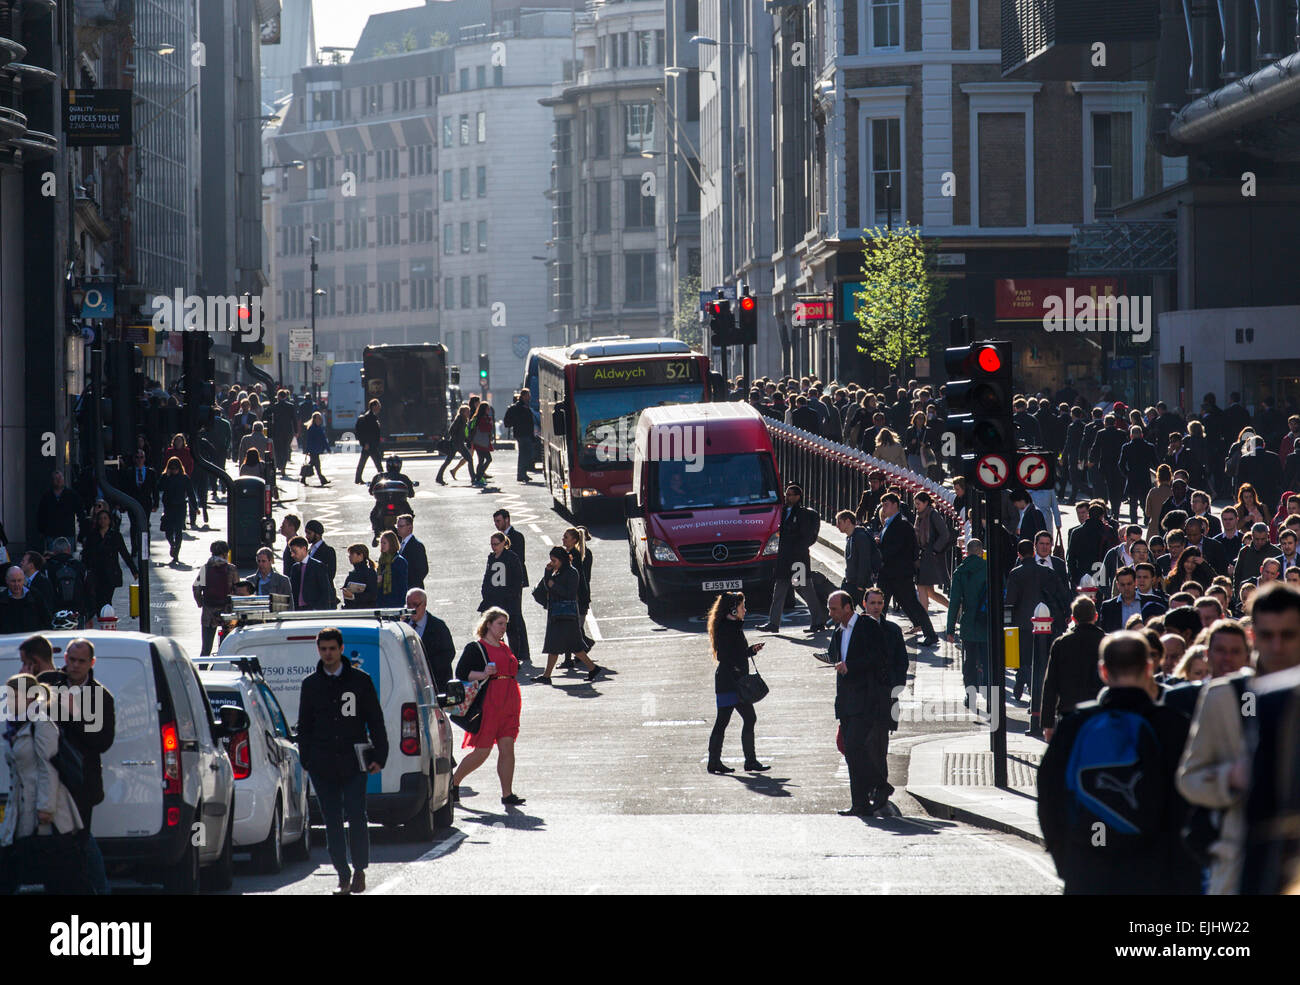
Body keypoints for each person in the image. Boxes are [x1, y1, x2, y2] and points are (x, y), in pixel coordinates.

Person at [1037, 631, 1196, 894]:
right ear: (1148, 667)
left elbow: (1049, 795)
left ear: (1103, 671)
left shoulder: (1075, 724)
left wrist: (1067, 859)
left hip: (1087, 866)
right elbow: (1186, 803)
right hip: (1152, 869)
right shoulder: (1172, 724)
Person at [296, 627, 387, 894]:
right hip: (322, 764)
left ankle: (359, 869)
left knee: (357, 815)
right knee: (331, 820)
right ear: (318, 650)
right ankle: (342, 874)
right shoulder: (310, 684)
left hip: (353, 761)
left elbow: (375, 720)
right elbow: (305, 725)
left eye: (332, 649)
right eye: (323, 649)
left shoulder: (360, 680)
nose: (328, 654)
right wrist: (307, 759)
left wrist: (380, 756)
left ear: (341, 648)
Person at [1176, 619, 1261, 894]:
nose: (1227, 658)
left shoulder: (1264, 697)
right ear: (1207, 652)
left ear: (1247, 655)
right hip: (1190, 837)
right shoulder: (1181, 699)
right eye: (1220, 650)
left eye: (1235, 651)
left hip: (1241, 842)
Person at [0, 675, 92, 894]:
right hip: (20, 810)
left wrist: (45, 808)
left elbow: (48, 767)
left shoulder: (41, 724)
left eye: (14, 696)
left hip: (43, 811)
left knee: (58, 873)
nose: (9, 701)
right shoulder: (14, 726)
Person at [828, 589, 906, 816]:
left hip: (867, 700)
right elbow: (837, 658)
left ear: (847, 608)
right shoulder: (838, 632)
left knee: (856, 748)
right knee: (852, 751)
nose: (830, 613)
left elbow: (878, 658)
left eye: (834, 609)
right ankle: (860, 803)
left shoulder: (868, 626)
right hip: (846, 702)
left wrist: (850, 665)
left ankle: (880, 786)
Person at [449, 608, 525, 807]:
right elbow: (462, 673)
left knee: (507, 748)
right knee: (482, 751)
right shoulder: (476, 647)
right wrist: (483, 673)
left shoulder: (504, 646)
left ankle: (507, 794)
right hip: (490, 704)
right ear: (488, 624)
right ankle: (454, 783)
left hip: (509, 702)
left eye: (505, 624)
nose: (503, 628)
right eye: (500, 623)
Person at [705, 592, 768, 774]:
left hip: (733, 681)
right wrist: (741, 659)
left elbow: (735, 653)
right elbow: (726, 656)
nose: (745, 610)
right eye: (742, 607)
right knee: (725, 721)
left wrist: (750, 651)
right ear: (733, 610)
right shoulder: (727, 629)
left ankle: (738, 761)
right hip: (729, 682)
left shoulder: (732, 627)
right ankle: (718, 762)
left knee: (742, 719)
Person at [758, 484, 827, 633]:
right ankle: (773, 623)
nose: (787, 497)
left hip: (797, 559)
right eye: (786, 494)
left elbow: (806, 537)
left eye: (790, 495)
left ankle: (818, 621)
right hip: (784, 559)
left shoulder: (803, 514)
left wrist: (796, 551)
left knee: (805, 589)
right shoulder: (783, 512)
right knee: (779, 591)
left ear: (798, 497)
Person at [532, 546, 603, 684]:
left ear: (562, 559)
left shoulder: (571, 572)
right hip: (557, 614)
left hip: (566, 615)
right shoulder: (557, 572)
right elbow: (547, 585)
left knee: (567, 645)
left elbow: (569, 593)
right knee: (565, 645)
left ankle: (547, 676)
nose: (552, 563)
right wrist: (547, 572)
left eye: (554, 560)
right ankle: (592, 668)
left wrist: (554, 586)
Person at [876, 493, 940, 645]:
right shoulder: (888, 523)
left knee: (911, 604)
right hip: (888, 573)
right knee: (881, 604)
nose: (883, 508)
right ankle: (878, 634)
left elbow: (899, 548)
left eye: (886, 504)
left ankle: (930, 634)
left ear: (895, 505)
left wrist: (878, 547)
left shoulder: (902, 524)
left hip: (899, 573)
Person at [1040, 596, 1105, 741]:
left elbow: (1050, 685)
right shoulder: (1107, 643)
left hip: (1068, 712)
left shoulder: (1061, 644)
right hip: (1099, 714)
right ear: (1095, 616)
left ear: (1073, 618)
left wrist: (1047, 724)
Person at [945, 539, 989, 701]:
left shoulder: (960, 572)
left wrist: (950, 629)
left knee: (969, 660)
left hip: (969, 622)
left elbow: (954, 603)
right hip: (987, 621)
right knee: (987, 659)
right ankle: (989, 692)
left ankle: (970, 694)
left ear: (967, 551)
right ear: (981, 551)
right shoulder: (989, 569)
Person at [480, 532, 528, 665]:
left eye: (496, 544)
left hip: (508, 601)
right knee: (492, 630)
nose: (493, 547)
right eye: (492, 544)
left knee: (512, 630)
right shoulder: (491, 558)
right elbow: (487, 576)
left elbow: (518, 579)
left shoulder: (511, 557)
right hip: (493, 600)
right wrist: (485, 592)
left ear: (503, 543)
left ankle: (514, 659)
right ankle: (498, 656)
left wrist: (512, 596)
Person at [81, 508, 137, 613]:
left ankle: (106, 616)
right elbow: (86, 554)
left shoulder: (115, 536)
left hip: (111, 572)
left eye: (105, 518)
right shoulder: (92, 536)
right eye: (100, 518)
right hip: (96, 571)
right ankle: (103, 615)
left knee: (106, 598)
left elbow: (124, 553)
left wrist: (134, 570)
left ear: (109, 521)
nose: (103, 521)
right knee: (97, 598)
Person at [192, 541, 238, 656]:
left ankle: (202, 670)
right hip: (227, 612)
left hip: (209, 612)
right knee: (227, 647)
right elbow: (237, 589)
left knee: (206, 648)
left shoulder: (206, 568)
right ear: (225, 554)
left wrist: (201, 602)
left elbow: (196, 588)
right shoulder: (231, 569)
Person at [406, 589, 455, 692]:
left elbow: (448, 654)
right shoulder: (401, 625)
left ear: (424, 604)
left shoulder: (438, 627)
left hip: (435, 685)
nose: (411, 609)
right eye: (408, 605)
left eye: (415, 605)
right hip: (408, 686)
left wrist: (423, 667)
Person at [913, 491, 951, 612]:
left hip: (931, 557)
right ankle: (955, 610)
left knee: (923, 588)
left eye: (918, 504)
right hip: (923, 556)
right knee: (927, 590)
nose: (916, 506)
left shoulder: (933, 515)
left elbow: (945, 534)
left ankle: (924, 620)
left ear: (926, 503)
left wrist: (934, 549)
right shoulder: (920, 515)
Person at [836, 510, 880, 608]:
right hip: (851, 583)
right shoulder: (850, 537)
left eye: (839, 522)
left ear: (847, 521)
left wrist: (860, 585)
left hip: (860, 585)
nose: (837, 526)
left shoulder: (860, 537)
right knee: (844, 610)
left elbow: (864, 562)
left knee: (870, 612)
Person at [157, 455, 196, 563]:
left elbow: (190, 493)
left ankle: (176, 553)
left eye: (176, 468)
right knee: (168, 531)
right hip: (169, 507)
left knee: (178, 530)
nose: (174, 470)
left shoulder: (184, 478)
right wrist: (166, 476)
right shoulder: (165, 477)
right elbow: (159, 487)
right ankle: (172, 544)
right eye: (172, 468)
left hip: (180, 507)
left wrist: (195, 507)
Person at [120, 450, 160, 559]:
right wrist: (123, 505)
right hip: (132, 503)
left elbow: (155, 489)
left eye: (141, 457)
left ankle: (146, 548)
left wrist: (156, 503)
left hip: (146, 504)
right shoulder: (129, 472)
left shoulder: (151, 472)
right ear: (134, 459)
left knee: (145, 525)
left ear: (144, 458)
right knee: (134, 526)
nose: (139, 460)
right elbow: (125, 489)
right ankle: (134, 549)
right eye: (137, 457)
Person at [42, 539, 87, 629]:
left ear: (54, 551)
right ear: (69, 549)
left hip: (56, 611)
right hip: (77, 611)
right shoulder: (79, 566)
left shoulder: (48, 567)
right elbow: (87, 589)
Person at [35, 471, 82, 552]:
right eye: (56, 478)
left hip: (67, 532)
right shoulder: (47, 496)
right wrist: (42, 531)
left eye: (60, 478)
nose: (59, 480)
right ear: (52, 481)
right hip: (52, 533)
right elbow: (41, 515)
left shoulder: (72, 495)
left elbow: (80, 512)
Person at [0, 566, 51, 634]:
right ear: (7, 581)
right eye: (13, 581)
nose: (16, 584)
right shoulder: (2, 599)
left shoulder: (35, 596)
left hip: (32, 640)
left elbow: (46, 619)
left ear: (24, 579)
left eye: (19, 580)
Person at [288, 536, 334, 610]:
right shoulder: (295, 568)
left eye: (294, 551)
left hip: (313, 609)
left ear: (303, 549)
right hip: (298, 610)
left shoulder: (318, 566)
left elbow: (326, 592)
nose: (292, 555)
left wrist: (317, 609)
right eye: (291, 552)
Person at [436, 404, 475, 485]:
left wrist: (466, 440)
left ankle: (439, 478)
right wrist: (457, 439)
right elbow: (451, 431)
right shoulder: (459, 420)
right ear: (463, 412)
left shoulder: (463, 420)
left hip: (457, 443)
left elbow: (462, 433)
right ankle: (473, 478)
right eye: (467, 411)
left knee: (447, 461)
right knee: (469, 459)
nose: (469, 413)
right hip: (458, 444)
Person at [304, 520, 339, 607]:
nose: (306, 536)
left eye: (309, 533)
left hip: (323, 596)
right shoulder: (309, 550)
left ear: (317, 534)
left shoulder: (328, 551)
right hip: (311, 596)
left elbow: (331, 573)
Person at [503, 389, 535, 482]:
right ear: (524, 396)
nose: (530, 397)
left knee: (526, 454)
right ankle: (521, 474)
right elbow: (512, 421)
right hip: (522, 433)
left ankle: (522, 473)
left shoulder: (525, 406)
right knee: (524, 454)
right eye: (528, 395)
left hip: (525, 433)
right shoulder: (519, 407)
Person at [374, 530, 409, 608]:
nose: (382, 545)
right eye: (381, 543)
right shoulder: (382, 559)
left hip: (395, 601)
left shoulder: (399, 561)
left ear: (392, 543)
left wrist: (402, 604)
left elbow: (403, 585)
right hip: (381, 601)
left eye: (384, 543)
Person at [353, 398, 384, 484]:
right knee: (377, 463)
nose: (379, 407)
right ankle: (382, 477)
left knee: (364, 462)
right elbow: (366, 432)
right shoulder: (369, 417)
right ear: (373, 406)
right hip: (370, 444)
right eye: (378, 405)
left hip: (371, 444)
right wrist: (365, 443)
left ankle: (358, 479)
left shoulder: (372, 416)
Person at [394, 514, 428, 590]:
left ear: (410, 527)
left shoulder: (417, 546)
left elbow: (423, 570)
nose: (398, 529)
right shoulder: (400, 544)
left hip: (412, 590)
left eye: (401, 526)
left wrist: (410, 586)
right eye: (397, 526)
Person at [300, 411, 331, 485]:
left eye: (320, 419)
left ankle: (303, 479)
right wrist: (307, 450)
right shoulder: (313, 428)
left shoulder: (318, 428)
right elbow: (309, 440)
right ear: (314, 419)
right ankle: (322, 480)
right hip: (313, 450)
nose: (320, 420)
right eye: (318, 418)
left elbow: (323, 439)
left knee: (312, 464)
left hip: (316, 450)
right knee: (317, 466)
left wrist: (327, 448)